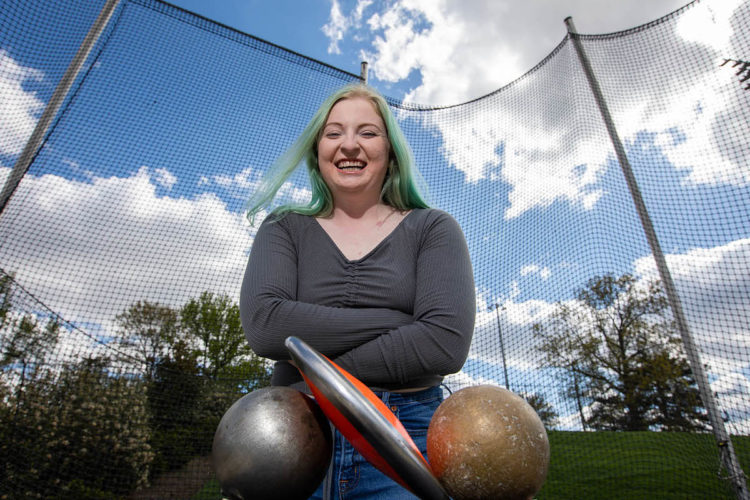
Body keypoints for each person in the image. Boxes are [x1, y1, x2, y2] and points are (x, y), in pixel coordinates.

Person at [239, 83, 475, 499]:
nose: (349, 145)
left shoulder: (433, 228)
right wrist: (401, 322)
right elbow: (265, 324)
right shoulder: (283, 227)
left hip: (408, 431)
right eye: (334, 133)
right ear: (317, 150)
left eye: (367, 132)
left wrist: (315, 371)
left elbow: (444, 343)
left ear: (390, 150)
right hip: (293, 432)